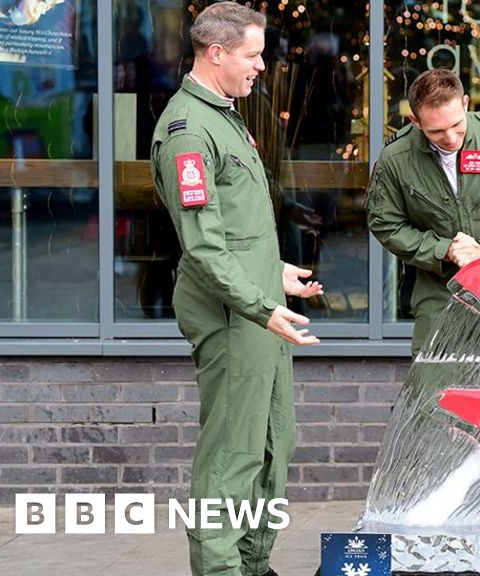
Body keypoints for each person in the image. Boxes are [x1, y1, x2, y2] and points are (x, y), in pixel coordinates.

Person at [149, 3, 322, 575]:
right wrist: (259, 303)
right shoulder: (188, 132)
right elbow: (203, 246)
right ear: (216, 53)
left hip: (256, 305)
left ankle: (252, 562)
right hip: (232, 315)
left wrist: (274, 272)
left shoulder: (224, 115)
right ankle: (221, 569)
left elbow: (234, 229)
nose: (262, 66)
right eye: (253, 55)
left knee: (274, 442)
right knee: (232, 452)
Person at [366, 69, 480, 356]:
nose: (451, 138)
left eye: (456, 124)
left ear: (465, 103)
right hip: (439, 290)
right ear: (415, 121)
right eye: (436, 131)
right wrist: (444, 250)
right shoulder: (396, 157)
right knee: (433, 377)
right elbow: (385, 224)